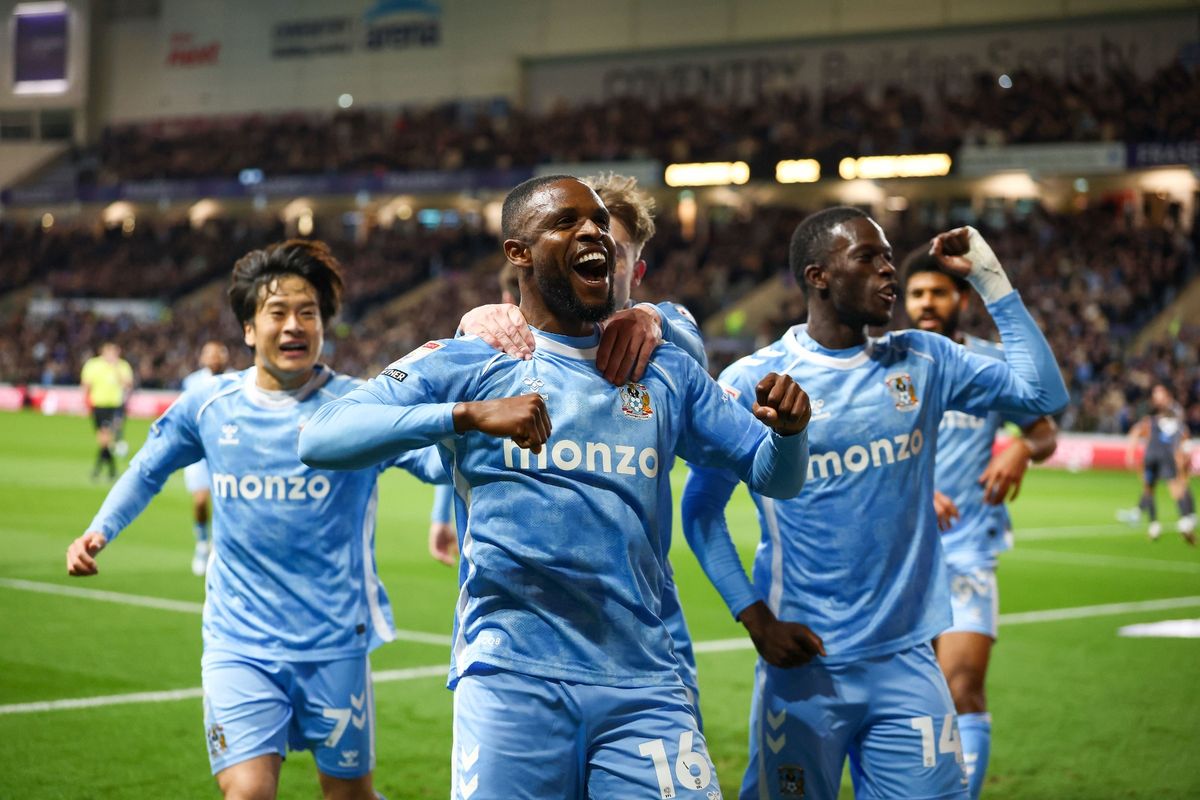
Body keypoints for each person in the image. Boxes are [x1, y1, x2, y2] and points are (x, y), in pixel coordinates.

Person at [299, 175, 818, 800]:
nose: (594, 231)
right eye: (568, 222)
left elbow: (774, 479)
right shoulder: (471, 361)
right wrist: (465, 416)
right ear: (519, 252)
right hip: (510, 677)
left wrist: (790, 435)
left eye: (600, 223)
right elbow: (322, 437)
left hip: (645, 684)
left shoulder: (664, 369)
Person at [682, 207, 1068, 800]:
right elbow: (701, 508)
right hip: (804, 666)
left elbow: (1044, 394)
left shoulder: (924, 360)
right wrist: (754, 618)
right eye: (869, 258)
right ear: (818, 275)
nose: (889, 271)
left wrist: (991, 278)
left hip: (909, 661)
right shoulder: (756, 378)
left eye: (889, 257)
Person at [66, 239, 443, 800]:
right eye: (278, 312)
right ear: (248, 329)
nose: (294, 325)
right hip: (238, 640)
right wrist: (101, 528)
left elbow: (434, 463)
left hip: (334, 639)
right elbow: (147, 468)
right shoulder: (210, 406)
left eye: (308, 313)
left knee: (349, 795)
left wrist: (478, 439)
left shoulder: (361, 406)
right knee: (246, 793)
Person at [443, 172, 711, 722]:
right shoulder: (506, 350)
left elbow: (692, 347)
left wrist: (654, 315)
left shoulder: (661, 355)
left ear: (636, 269)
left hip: (646, 635)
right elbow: (462, 448)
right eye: (575, 229)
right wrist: (471, 321)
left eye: (614, 247)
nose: (597, 249)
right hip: (526, 649)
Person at [903, 248, 1059, 799]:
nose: (926, 303)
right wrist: (915, 493)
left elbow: (1045, 430)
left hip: (968, 552)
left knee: (964, 686)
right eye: (917, 293)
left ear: (960, 300)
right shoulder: (890, 364)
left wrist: (1020, 445)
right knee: (909, 700)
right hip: (901, 558)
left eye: (937, 293)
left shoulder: (990, 364)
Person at [1119, 384, 1196, 543]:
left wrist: (1130, 453)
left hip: (1152, 455)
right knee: (1176, 489)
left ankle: (1153, 525)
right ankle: (1184, 522)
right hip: (1167, 456)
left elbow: (1137, 430)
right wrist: (1183, 455)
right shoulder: (1176, 421)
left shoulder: (1153, 418)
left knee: (1149, 489)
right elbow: (1183, 436)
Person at [181, 340, 231, 575]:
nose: (214, 357)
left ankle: (222, 549)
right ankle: (202, 542)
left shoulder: (237, 379)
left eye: (218, 353)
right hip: (199, 450)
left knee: (227, 503)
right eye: (209, 353)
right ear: (202, 358)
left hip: (227, 450)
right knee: (201, 501)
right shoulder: (192, 382)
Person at [80, 341, 134, 480]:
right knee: (103, 440)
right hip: (99, 405)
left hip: (116, 406)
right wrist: (84, 402)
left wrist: (116, 369)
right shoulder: (93, 365)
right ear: (102, 352)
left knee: (107, 438)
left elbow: (128, 384)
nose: (112, 354)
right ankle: (111, 469)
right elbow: (86, 384)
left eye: (114, 351)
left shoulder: (122, 365)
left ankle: (98, 470)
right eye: (109, 351)